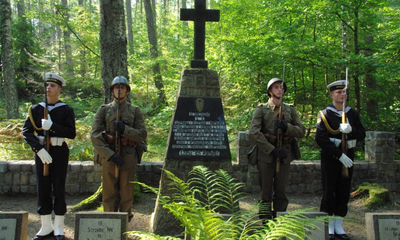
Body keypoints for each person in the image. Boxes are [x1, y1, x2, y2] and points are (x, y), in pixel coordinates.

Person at [22, 73, 76, 240]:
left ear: (59, 89)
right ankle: (46, 226)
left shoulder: (66, 109)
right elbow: (26, 132)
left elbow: (71, 133)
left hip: (59, 152)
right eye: (47, 85)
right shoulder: (35, 109)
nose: (48, 88)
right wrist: (38, 149)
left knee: (59, 186)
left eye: (52, 86)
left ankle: (59, 226)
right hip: (42, 153)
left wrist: (53, 126)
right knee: (43, 187)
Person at [91, 76, 147, 221]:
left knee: (127, 193)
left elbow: (142, 134)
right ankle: (110, 222)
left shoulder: (135, 111)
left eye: (122, 87)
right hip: (109, 157)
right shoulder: (104, 110)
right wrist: (109, 154)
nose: (119, 90)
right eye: (116, 87)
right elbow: (95, 135)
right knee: (109, 192)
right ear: (112, 91)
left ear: (127, 91)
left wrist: (125, 129)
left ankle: (124, 222)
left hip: (127, 157)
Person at [248, 77, 305, 221]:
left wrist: (287, 127)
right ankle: (265, 222)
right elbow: (254, 133)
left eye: (281, 87)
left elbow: (301, 131)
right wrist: (272, 149)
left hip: (284, 155)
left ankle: (279, 222)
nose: (280, 89)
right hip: (266, 156)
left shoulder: (290, 110)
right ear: (270, 91)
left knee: (281, 192)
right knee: (266, 192)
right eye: (276, 87)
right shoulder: (261, 109)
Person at [315, 80, 365, 240]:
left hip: (348, 156)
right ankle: (328, 225)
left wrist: (351, 131)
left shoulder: (352, 113)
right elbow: (320, 139)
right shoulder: (325, 114)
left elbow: (362, 134)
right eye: (338, 92)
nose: (342, 95)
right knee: (329, 191)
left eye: (344, 92)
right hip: (331, 158)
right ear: (331, 95)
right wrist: (339, 155)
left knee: (344, 191)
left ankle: (338, 225)